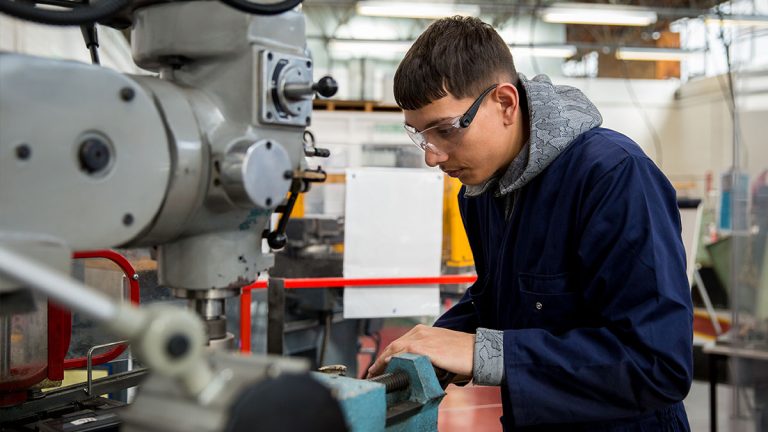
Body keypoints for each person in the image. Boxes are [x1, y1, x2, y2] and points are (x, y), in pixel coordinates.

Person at [366, 16, 694, 431]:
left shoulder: (612, 176)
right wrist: (427, 346)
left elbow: (658, 362)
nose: (432, 156)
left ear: (505, 103)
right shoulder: (481, 190)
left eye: (446, 130)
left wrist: (479, 352)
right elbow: (499, 296)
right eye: (420, 136)